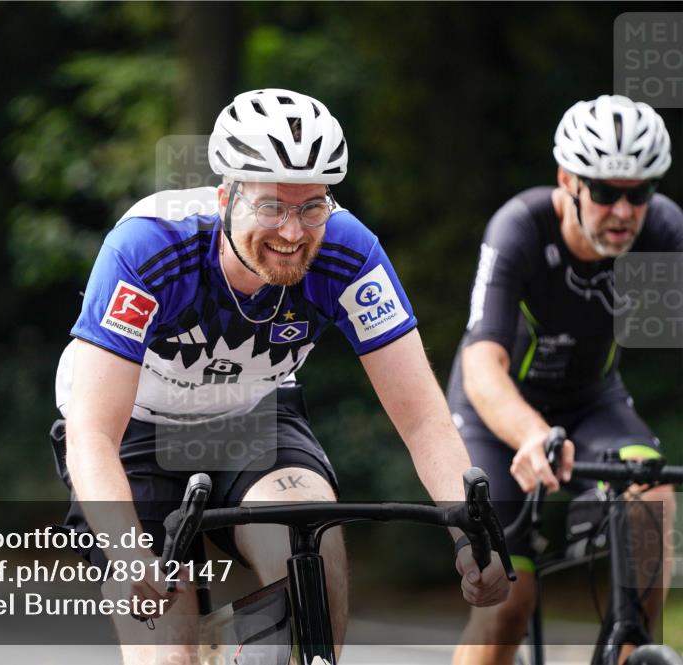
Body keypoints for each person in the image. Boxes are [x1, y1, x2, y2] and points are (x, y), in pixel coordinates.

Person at [52, 88, 509, 665]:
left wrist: (468, 535)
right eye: (270, 206)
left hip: (253, 418)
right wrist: (128, 550)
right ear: (226, 197)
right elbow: (92, 432)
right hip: (137, 433)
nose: (292, 232)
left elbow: (423, 420)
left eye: (311, 206)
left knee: (310, 545)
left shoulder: (349, 252)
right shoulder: (149, 247)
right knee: (168, 653)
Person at [449, 94, 682, 665]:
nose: (624, 212)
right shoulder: (521, 226)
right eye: (604, 192)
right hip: (494, 415)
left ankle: (634, 644)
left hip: (592, 404)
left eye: (639, 192)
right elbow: (483, 362)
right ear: (568, 180)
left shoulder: (664, 230)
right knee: (508, 602)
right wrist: (530, 436)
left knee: (651, 497)